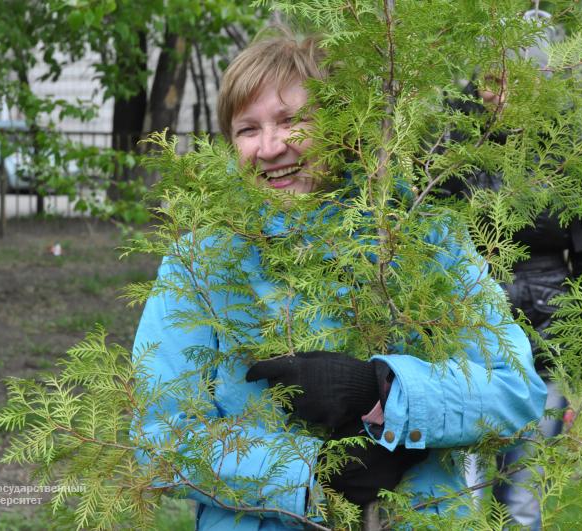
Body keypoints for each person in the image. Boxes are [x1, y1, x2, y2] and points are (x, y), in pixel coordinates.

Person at [132, 27, 547, 530]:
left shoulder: (424, 237)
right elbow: (157, 437)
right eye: (247, 129)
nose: (269, 147)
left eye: (292, 120)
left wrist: (384, 389)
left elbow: (516, 392)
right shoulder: (199, 263)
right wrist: (310, 475)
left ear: (344, 126)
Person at [442, 14, 582, 528]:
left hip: (544, 347)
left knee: (521, 502)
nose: (502, 94)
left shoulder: (578, 154)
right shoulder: (449, 147)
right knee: (463, 495)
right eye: (492, 79)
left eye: (519, 81)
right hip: (461, 348)